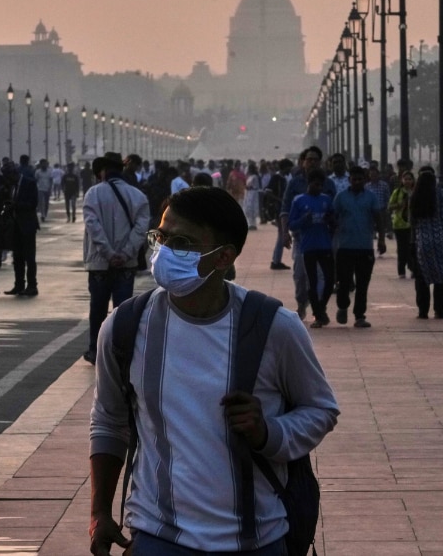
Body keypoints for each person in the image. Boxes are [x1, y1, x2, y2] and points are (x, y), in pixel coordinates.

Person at [88, 186, 339, 554]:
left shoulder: (273, 327)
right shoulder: (126, 326)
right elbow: (109, 421)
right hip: (159, 535)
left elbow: (320, 409)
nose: (164, 251)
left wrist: (268, 432)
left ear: (223, 257)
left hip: (258, 537)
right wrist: (100, 511)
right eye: (162, 236)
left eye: (183, 242)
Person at [81, 152, 150, 365]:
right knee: (122, 310)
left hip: (100, 263)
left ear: (102, 171)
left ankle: (95, 349)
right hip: (126, 264)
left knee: (98, 309)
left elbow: (93, 227)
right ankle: (121, 350)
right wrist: (126, 253)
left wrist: (109, 253)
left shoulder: (93, 194)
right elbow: (141, 229)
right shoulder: (138, 196)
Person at [333, 166, 381, 329]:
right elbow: (333, 217)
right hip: (345, 246)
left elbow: (379, 219)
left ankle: (360, 315)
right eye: (354, 179)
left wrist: (381, 239)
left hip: (365, 247)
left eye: (360, 179)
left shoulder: (371, 197)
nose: (357, 182)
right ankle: (342, 306)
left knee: (362, 283)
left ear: (365, 180)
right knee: (344, 282)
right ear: (350, 180)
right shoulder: (341, 197)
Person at [288, 168, 336, 328]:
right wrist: (304, 220)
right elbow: (292, 224)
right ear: (309, 184)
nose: (319, 188)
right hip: (308, 246)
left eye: (321, 185)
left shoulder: (326, 200)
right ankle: (318, 314)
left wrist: (330, 220)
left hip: (325, 245)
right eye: (316, 184)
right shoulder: (299, 201)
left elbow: (334, 220)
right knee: (312, 281)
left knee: (330, 279)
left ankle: (321, 307)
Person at [410, 168, 443, 319]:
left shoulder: (414, 196)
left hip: (423, 240)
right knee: (442, 276)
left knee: (422, 277)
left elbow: (412, 221)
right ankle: (440, 310)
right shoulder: (441, 194)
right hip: (440, 239)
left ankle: (423, 310)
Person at [1, 160, 40, 296]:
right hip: (15, 225)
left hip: (28, 224)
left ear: (15, 173)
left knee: (29, 257)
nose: (8, 180)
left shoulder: (29, 182)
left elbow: (33, 203)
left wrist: (16, 205)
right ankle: (19, 284)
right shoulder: (12, 186)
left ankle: (32, 285)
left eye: (9, 177)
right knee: (17, 257)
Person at [389, 170, 415, 279]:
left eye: (410, 179)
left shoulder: (415, 192)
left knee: (411, 248)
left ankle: (413, 268)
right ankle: (401, 271)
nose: (408, 181)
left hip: (412, 224)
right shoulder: (397, 192)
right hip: (399, 224)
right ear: (402, 180)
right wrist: (399, 205)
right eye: (406, 179)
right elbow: (389, 206)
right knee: (401, 248)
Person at [243, 161, 262, 230]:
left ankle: (253, 224)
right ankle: (250, 223)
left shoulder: (254, 177)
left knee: (252, 208)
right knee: (248, 208)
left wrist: (248, 187)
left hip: (253, 193)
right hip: (249, 193)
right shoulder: (250, 176)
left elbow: (252, 186)